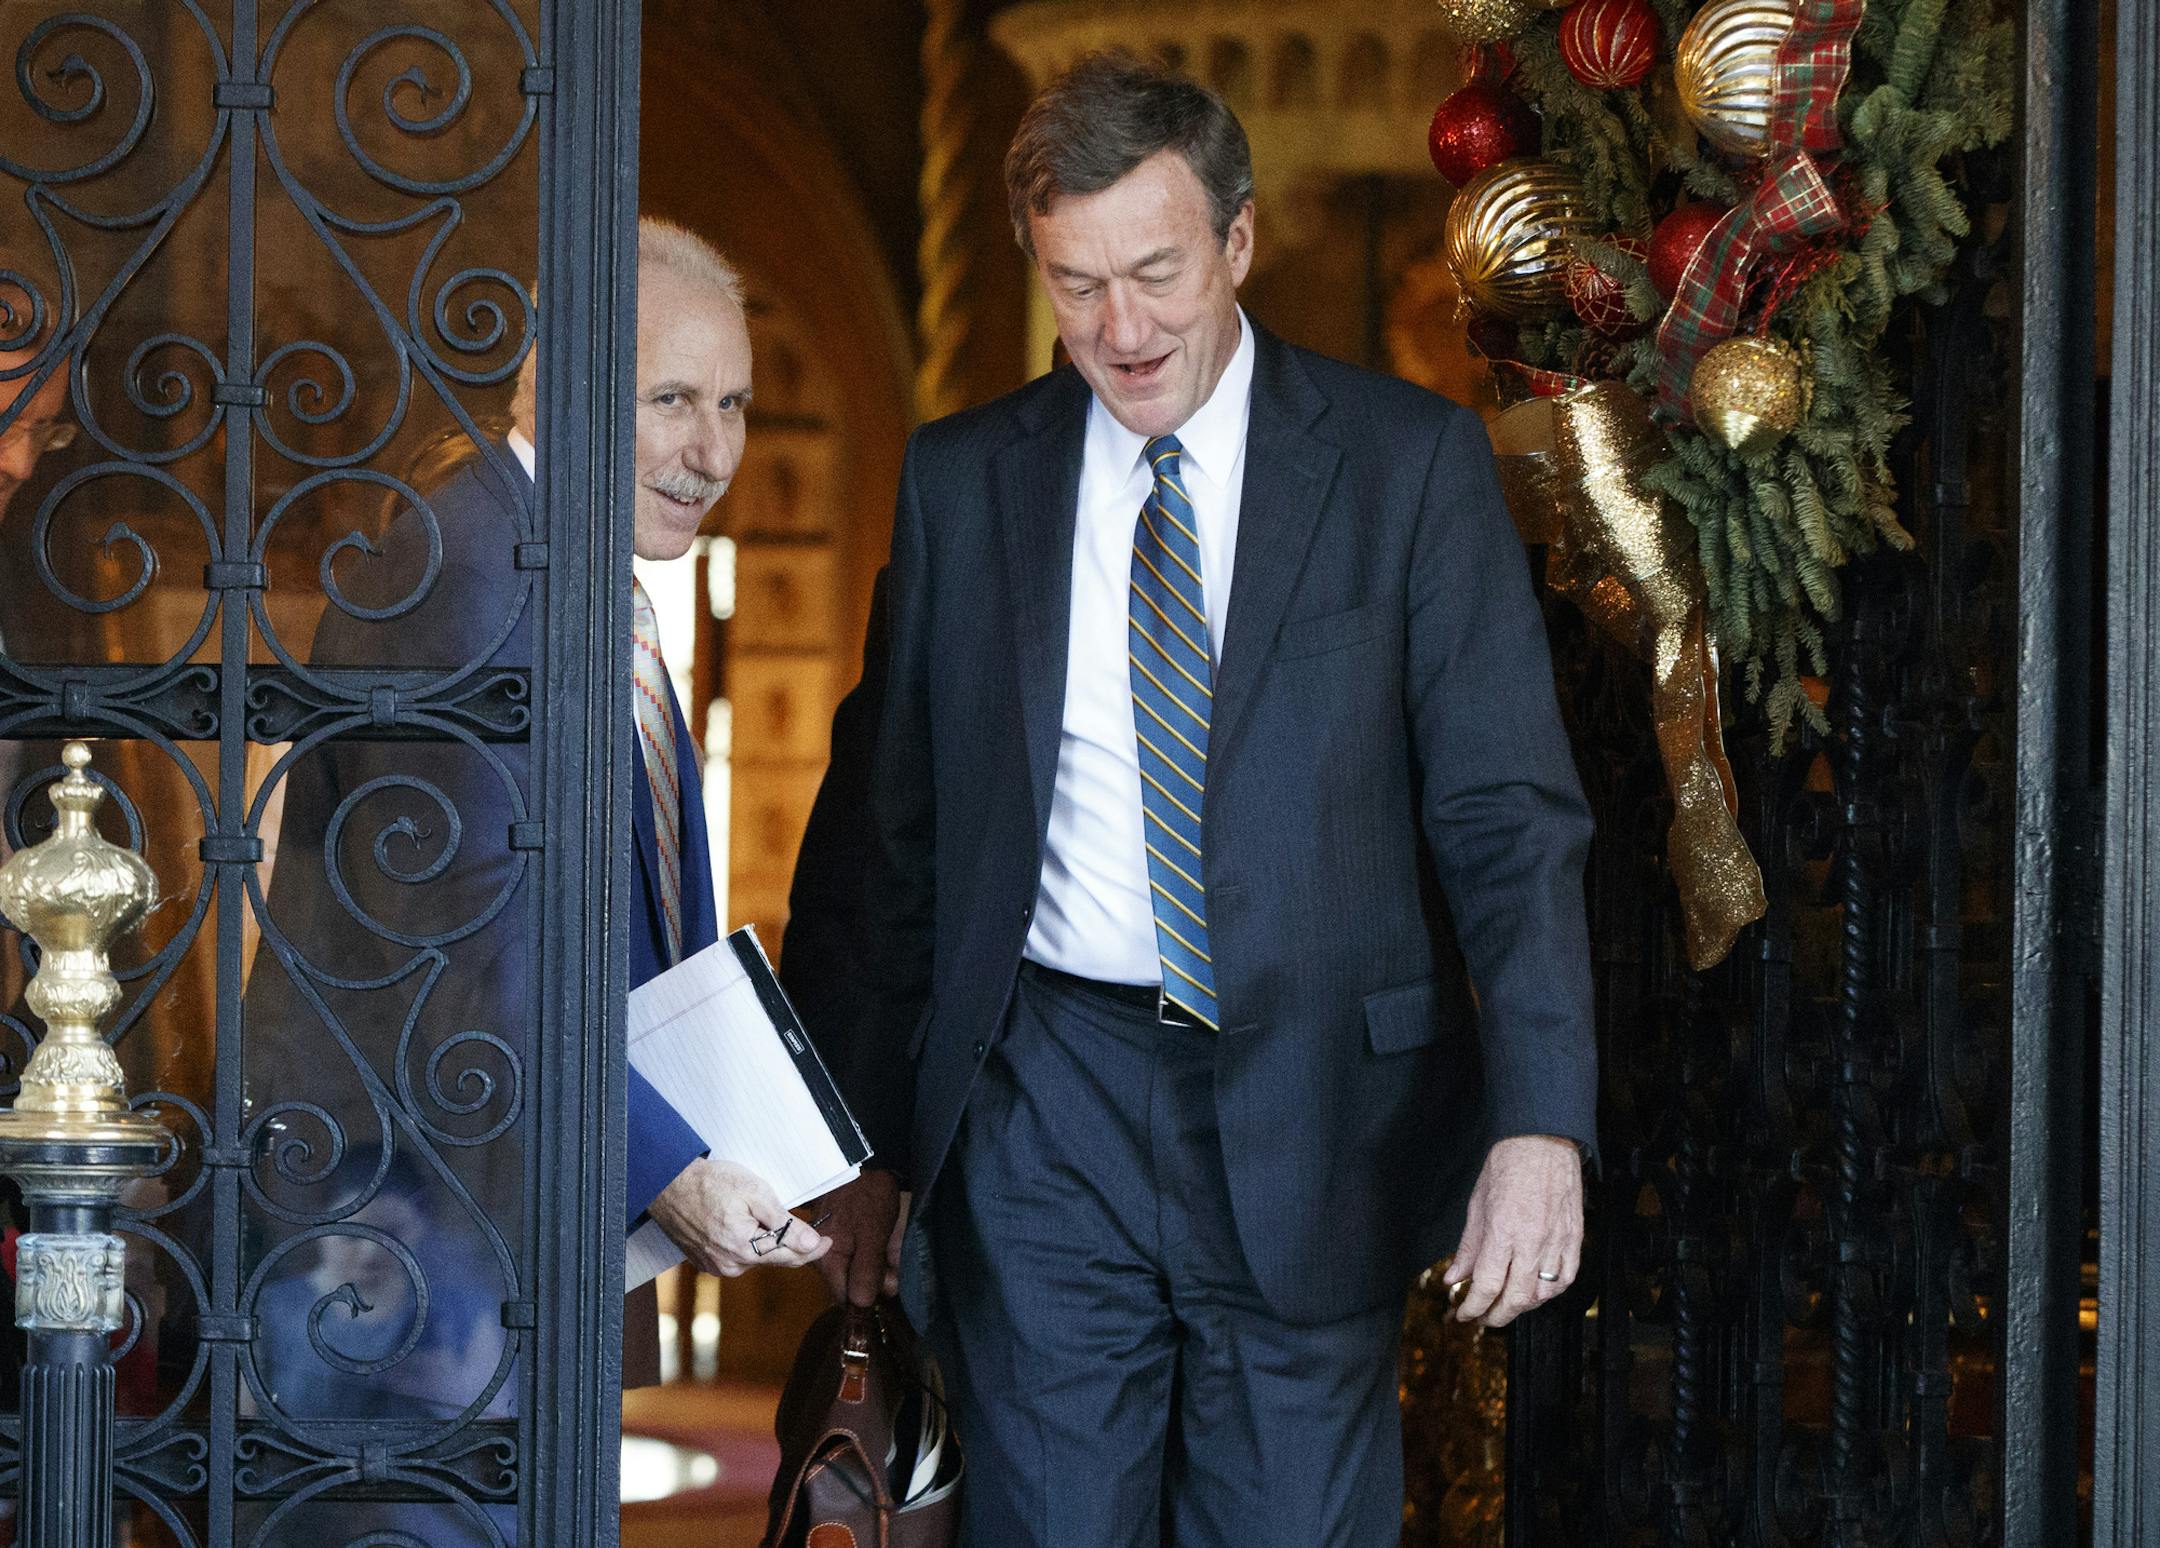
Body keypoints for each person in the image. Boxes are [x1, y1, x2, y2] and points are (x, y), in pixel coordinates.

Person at [795, 54, 1597, 1544]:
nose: (1122, 329)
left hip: (1322, 1114)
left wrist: (1540, 1122)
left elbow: (1509, 822)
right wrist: (857, 1147)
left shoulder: (1407, 468)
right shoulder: (963, 485)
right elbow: (884, 840)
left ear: (1237, 240)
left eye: (1156, 273)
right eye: (1077, 283)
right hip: (1046, 1110)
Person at [243, 218, 826, 1433]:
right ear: (561, 380)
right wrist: (666, 1166)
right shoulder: (465, 572)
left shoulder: (556, 566)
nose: (714, 451)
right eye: (673, 400)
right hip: (414, 1258)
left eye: (733, 403)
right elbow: (477, 950)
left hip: (512, 1232)